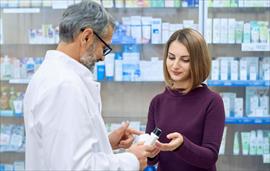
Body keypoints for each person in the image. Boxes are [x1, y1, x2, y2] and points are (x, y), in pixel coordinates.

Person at [23, 1, 148, 170]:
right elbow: (77, 167)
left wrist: (105, 142)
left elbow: (60, 151)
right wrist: (132, 159)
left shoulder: (50, 75)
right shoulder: (65, 86)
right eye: (104, 48)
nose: (102, 58)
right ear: (86, 36)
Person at [145, 28, 225, 171]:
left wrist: (182, 145)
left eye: (185, 60)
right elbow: (152, 159)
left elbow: (210, 157)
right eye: (171, 57)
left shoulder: (212, 102)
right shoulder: (157, 102)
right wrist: (147, 150)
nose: (175, 65)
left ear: (198, 63)